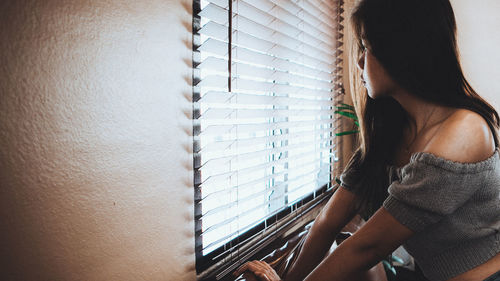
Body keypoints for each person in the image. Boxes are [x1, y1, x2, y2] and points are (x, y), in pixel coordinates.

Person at [233, 0, 500, 280]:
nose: (360, 61)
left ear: (400, 51)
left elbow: (367, 248)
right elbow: (328, 221)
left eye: (366, 48)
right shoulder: (395, 132)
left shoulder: (463, 132)